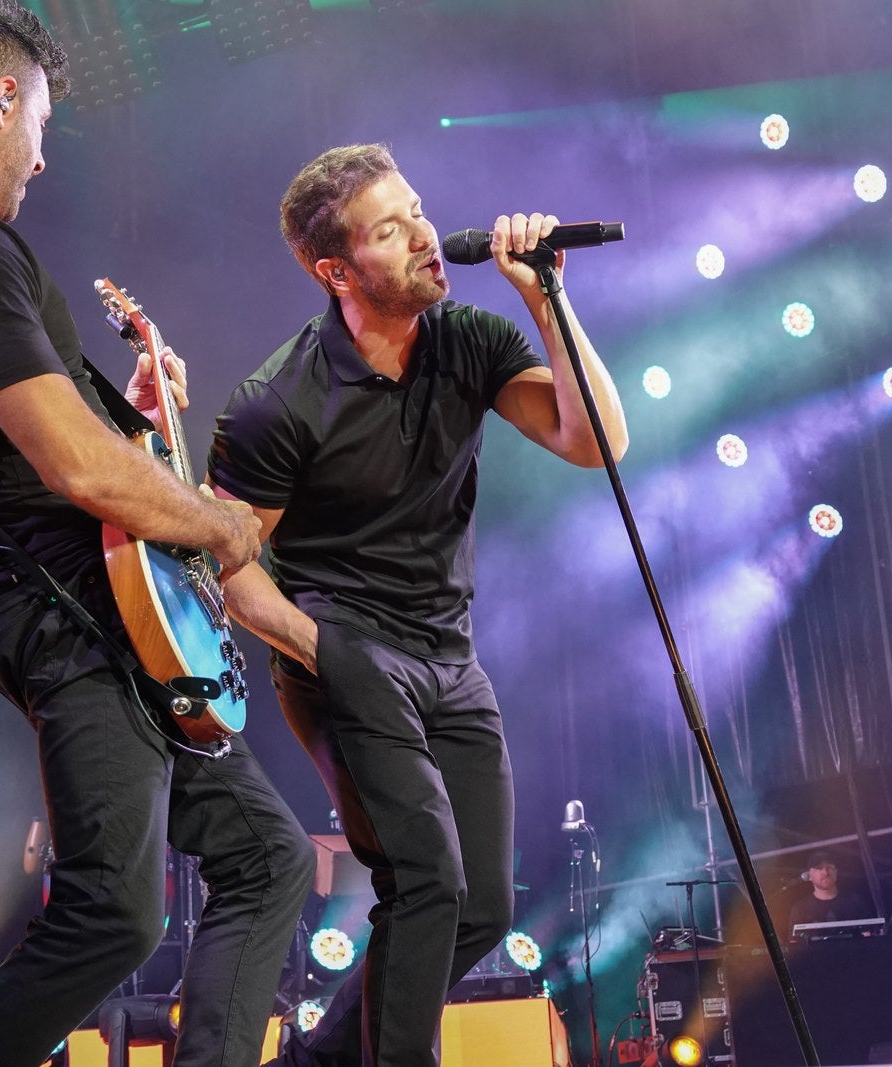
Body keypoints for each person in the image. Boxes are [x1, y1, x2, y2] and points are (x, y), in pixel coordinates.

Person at [0, 4, 314, 1064]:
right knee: (113, 914)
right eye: (42, 120)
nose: (43, 156)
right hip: (75, 622)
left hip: (81, 610)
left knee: (268, 857)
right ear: (1, 100)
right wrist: (224, 524)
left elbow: (31, 448)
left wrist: (134, 415)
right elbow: (76, 469)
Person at [206, 144, 629, 1066]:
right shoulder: (277, 403)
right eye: (390, 229)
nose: (426, 236)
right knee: (427, 881)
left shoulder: (468, 341)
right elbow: (224, 567)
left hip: (449, 657)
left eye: (420, 210)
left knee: (481, 905)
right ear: (336, 269)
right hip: (343, 653)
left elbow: (594, 441)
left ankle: (315, 1060)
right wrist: (324, 647)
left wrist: (544, 297)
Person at [788, 852, 874, 928]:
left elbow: (869, 936)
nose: (825, 872)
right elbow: (795, 942)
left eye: (829, 867)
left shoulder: (856, 902)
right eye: (819, 868)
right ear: (809, 875)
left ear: (836, 872)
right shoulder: (800, 909)